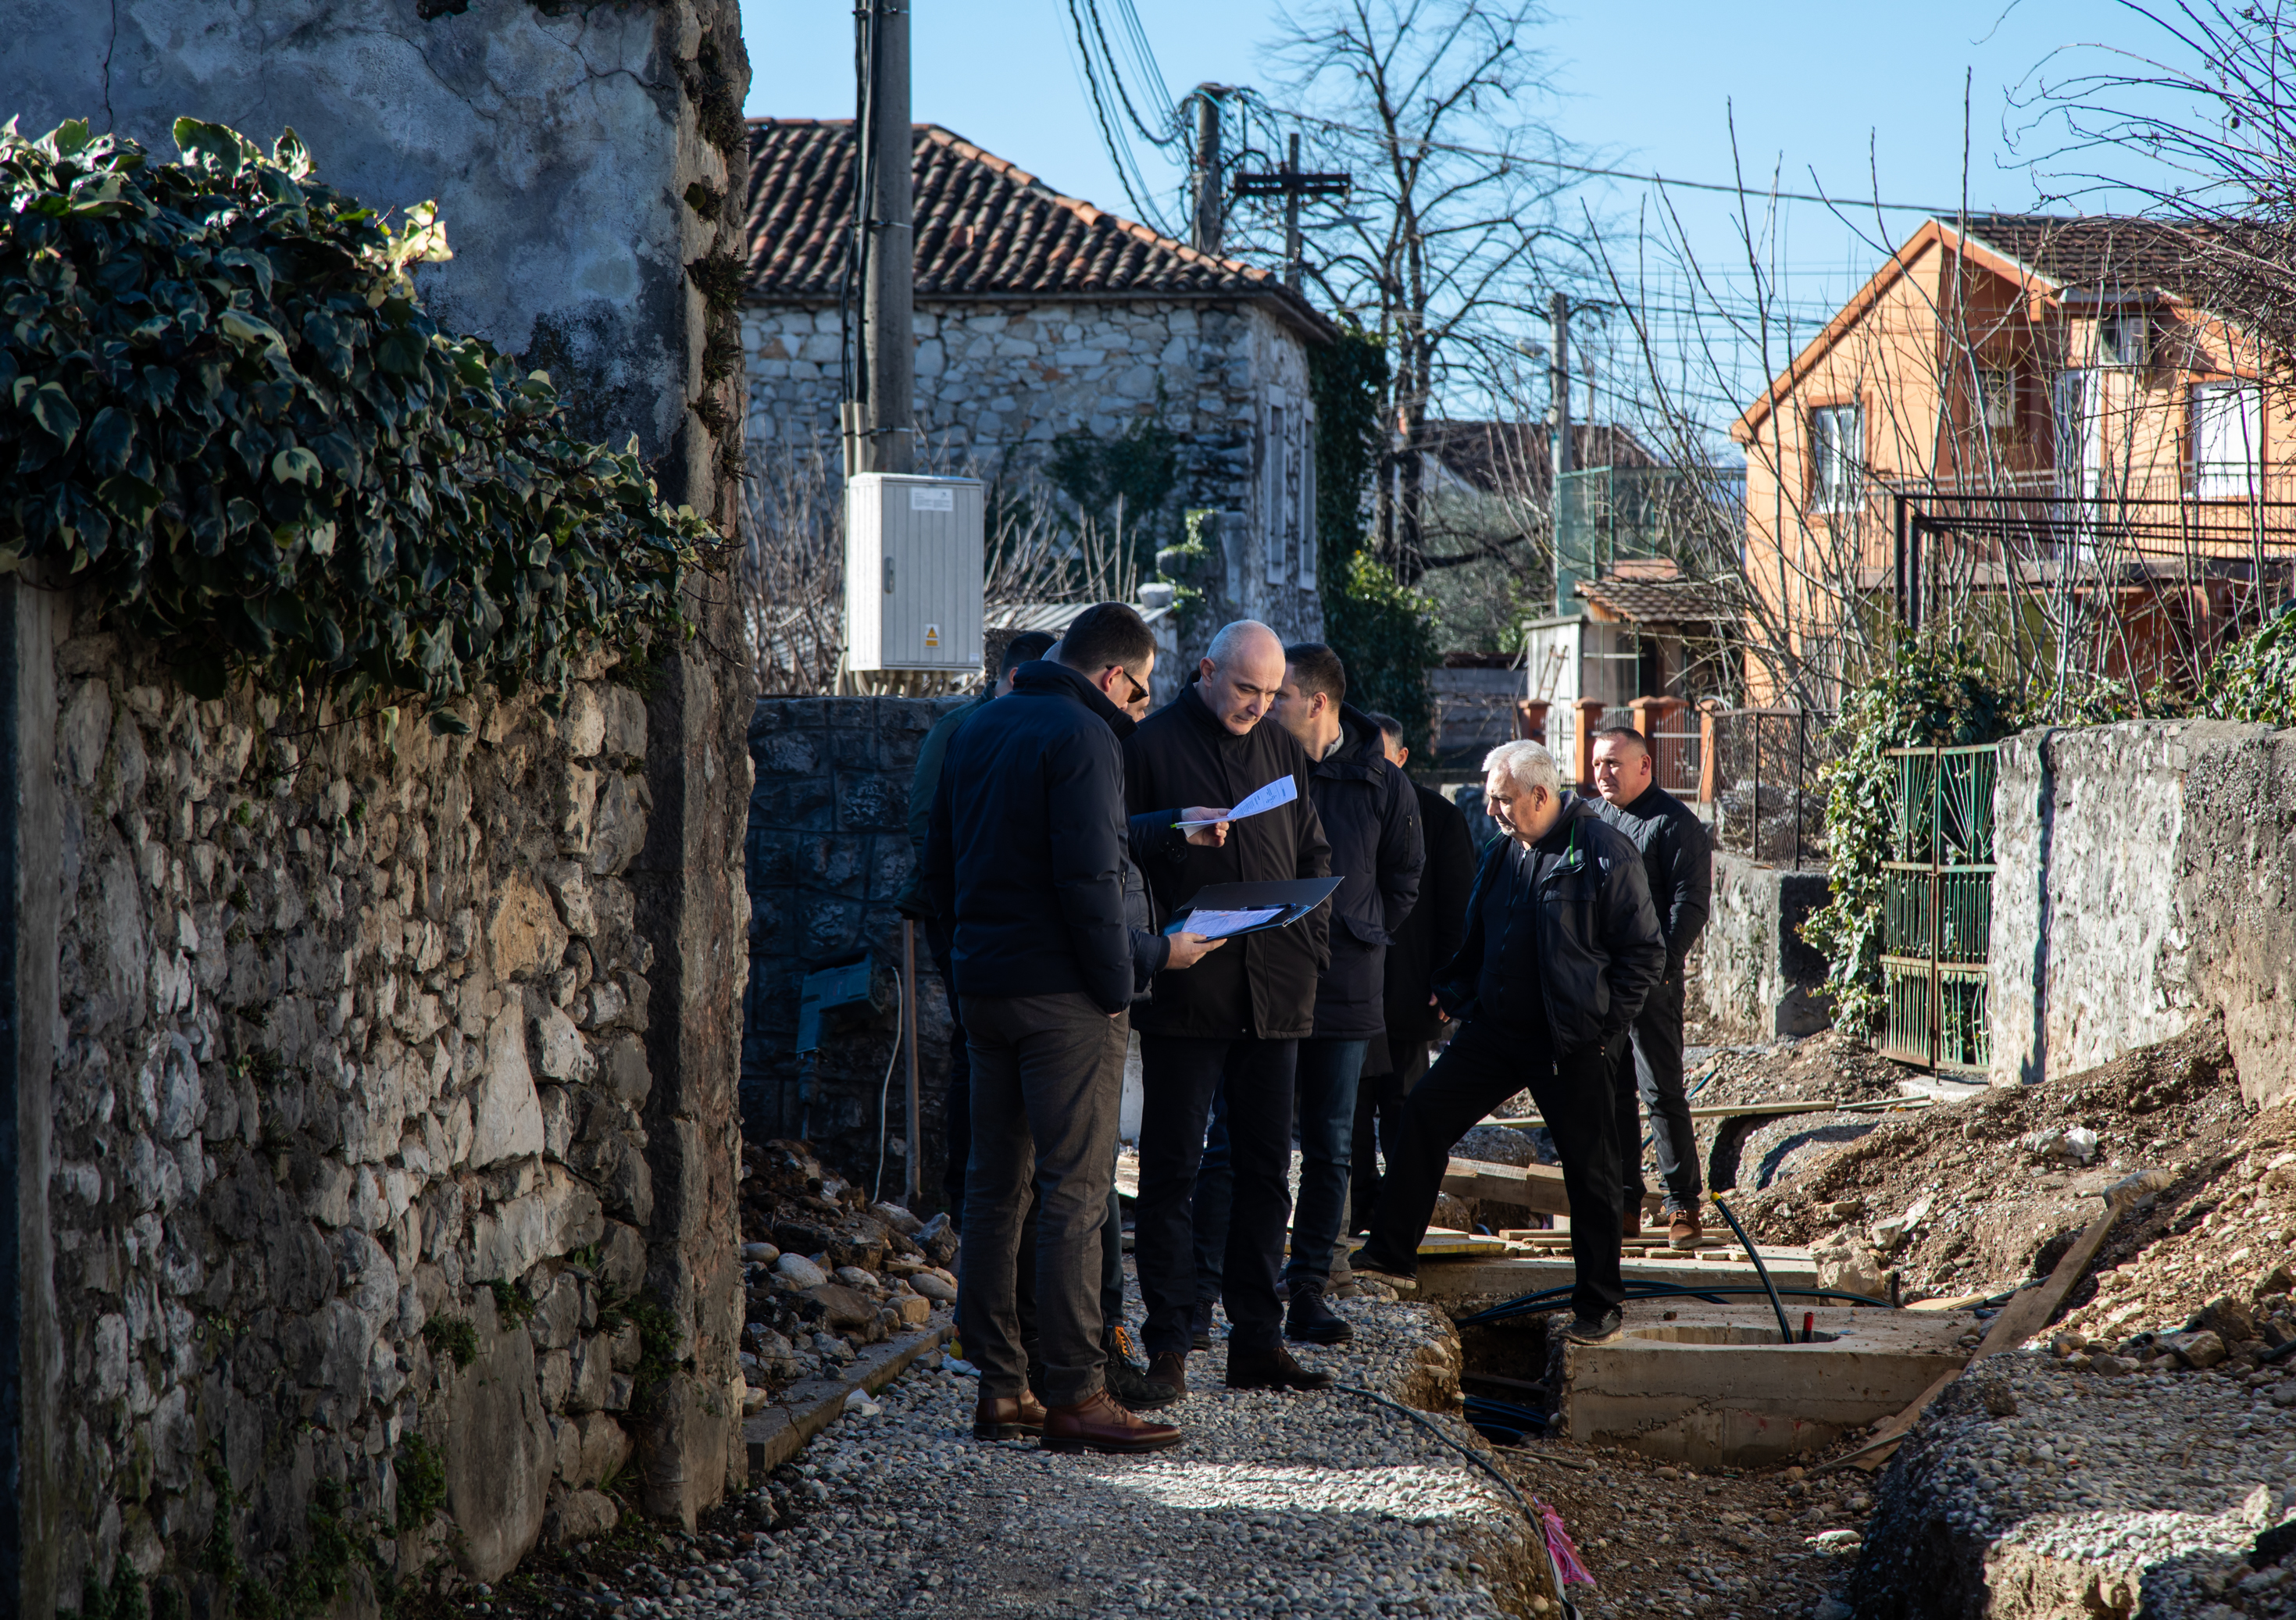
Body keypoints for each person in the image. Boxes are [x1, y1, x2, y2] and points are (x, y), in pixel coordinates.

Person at [922, 604, 1221, 1453]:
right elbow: (1088, 882)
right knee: (1074, 1193)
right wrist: (1148, 960)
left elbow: (943, 866)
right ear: (1111, 676)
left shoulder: (981, 724)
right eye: (1141, 691)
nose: (1141, 707)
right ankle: (1077, 1392)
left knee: (993, 1186)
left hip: (988, 991)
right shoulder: (1087, 738)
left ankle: (1000, 1385)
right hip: (1065, 1002)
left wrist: (967, 968)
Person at [1349, 740, 1666, 1344]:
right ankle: (1390, 1254)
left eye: (1501, 798)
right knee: (1423, 1113)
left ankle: (1599, 1303)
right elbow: (1480, 934)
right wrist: (1455, 988)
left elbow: (1644, 952)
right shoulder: (1504, 851)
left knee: (1590, 1172)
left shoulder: (1600, 851)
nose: (1491, 808)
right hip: (1494, 1033)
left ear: (1540, 796)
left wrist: (1603, 1032)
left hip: (1569, 1042)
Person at [1123, 620, 1336, 1397]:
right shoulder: (1148, 747)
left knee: (1264, 1172)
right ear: (1205, 670)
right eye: (1246, 688)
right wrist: (1180, 840)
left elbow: (1311, 854)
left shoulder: (1281, 747)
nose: (1257, 705)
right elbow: (1118, 853)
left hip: (1273, 991)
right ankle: (1169, 1344)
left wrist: (1307, 943)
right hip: (1188, 990)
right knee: (1172, 1173)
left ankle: (1256, 1339)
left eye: (1271, 693)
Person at [1194, 645, 1421, 1347]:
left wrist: (1356, 929)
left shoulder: (1381, 782)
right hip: (1261, 982)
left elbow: (1402, 880)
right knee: (1234, 1144)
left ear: (1317, 702)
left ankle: (1310, 1290)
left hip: (1347, 989)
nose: (1264, 705)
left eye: (1279, 695)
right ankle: (1205, 1293)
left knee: (1330, 1147)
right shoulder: (1255, 759)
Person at [895, 628, 1059, 1222]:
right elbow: (925, 825)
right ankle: (964, 1196)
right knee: (973, 1045)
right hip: (959, 910)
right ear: (1019, 678)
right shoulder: (957, 729)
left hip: (1000, 914)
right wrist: (970, 902)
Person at [1350, 713, 1476, 1238]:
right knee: (1351, 1111)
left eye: (1378, 758)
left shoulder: (1439, 817)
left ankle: (1399, 1220)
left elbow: (1458, 908)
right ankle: (1359, 1212)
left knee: (1402, 1105)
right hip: (1351, 990)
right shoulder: (1340, 805)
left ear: (1401, 758)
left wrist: (1450, 981)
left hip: (1411, 988)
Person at [1590, 726, 1713, 1251]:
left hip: (1653, 981)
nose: (1603, 773)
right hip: (1600, 980)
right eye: (1597, 763)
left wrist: (1658, 965)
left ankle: (1682, 1204)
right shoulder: (1592, 819)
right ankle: (1621, 1202)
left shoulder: (1675, 825)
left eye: (1614, 763)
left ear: (1645, 766)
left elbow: (1690, 905)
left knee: (1661, 1092)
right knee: (1609, 1090)